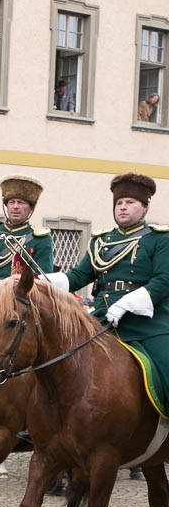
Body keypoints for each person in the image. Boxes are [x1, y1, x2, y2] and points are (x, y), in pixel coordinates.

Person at [44, 174, 164, 481]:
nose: (123, 208)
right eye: (119, 203)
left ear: (144, 207)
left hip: (147, 323)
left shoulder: (159, 239)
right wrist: (40, 282)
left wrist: (125, 304)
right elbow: (75, 277)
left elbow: (164, 281)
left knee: (167, 364)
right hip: (101, 320)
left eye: (130, 203)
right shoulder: (102, 241)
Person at [0, 175, 54, 280]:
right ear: (7, 206)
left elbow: (43, 278)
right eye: (11, 202)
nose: (15, 207)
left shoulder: (41, 239)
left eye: (21, 202)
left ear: (31, 208)